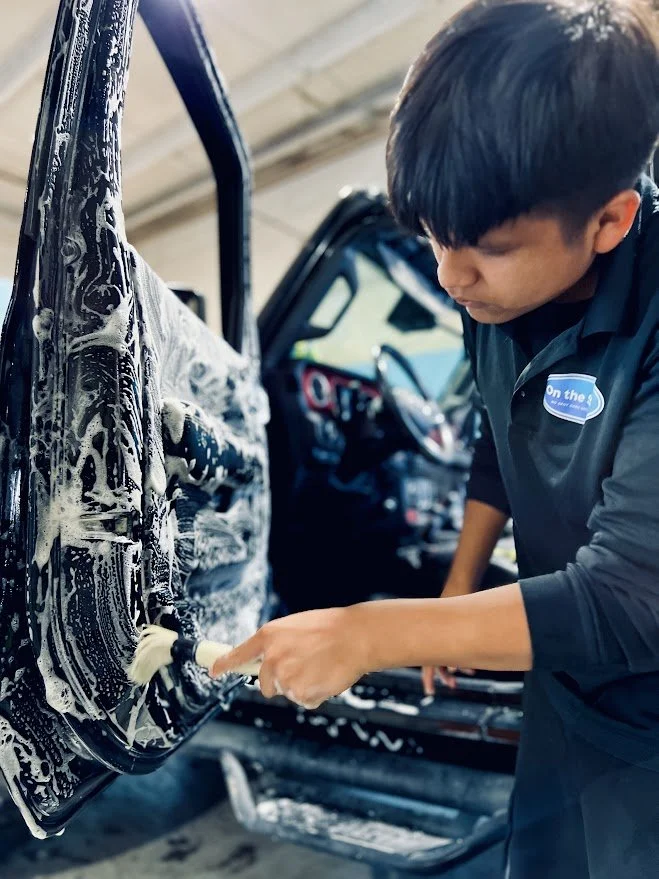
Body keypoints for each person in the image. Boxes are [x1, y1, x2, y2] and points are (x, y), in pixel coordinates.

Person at [212, 0, 659, 875]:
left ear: (609, 221)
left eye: (486, 247)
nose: (452, 276)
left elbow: (626, 598)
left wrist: (376, 633)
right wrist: (457, 591)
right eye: (433, 240)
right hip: (562, 693)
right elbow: (500, 439)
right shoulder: (492, 296)